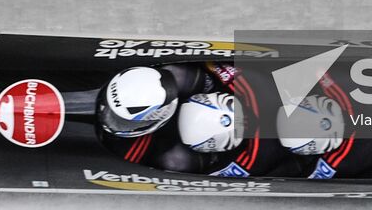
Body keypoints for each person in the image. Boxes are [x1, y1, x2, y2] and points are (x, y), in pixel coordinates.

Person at [99, 62, 291, 177]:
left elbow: (215, 175)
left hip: (185, 144)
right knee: (180, 75)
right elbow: (212, 65)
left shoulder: (259, 157)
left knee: (176, 163)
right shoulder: (252, 85)